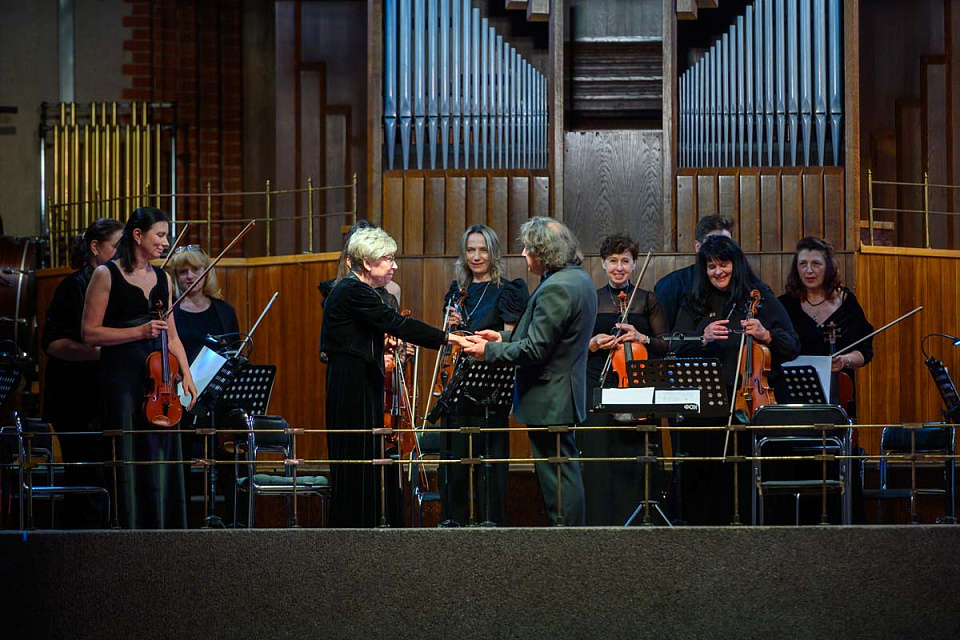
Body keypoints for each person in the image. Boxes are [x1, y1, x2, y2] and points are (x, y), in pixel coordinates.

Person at [319, 226, 471, 528]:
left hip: (354, 379)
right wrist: (453, 340)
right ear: (366, 263)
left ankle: (358, 532)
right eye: (388, 258)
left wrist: (380, 342)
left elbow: (361, 333)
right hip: (353, 385)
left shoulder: (354, 290)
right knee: (357, 463)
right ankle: (355, 537)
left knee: (360, 463)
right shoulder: (354, 290)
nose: (395, 265)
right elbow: (399, 323)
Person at [463, 217, 595, 526]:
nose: (523, 253)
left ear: (546, 253)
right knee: (561, 469)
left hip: (552, 398)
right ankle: (568, 537)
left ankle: (568, 543)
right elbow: (549, 337)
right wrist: (502, 337)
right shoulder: (578, 278)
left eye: (529, 248)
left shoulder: (558, 287)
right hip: (562, 394)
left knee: (558, 476)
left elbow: (537, 350)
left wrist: (489, 351)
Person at [82, 206, 198, 529]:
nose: (165, 242)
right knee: (129, 453)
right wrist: (139, 331)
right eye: (159, 235)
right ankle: (128, 532)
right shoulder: (106, 275)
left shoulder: (163, 278)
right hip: (121, 378)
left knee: (159, 453)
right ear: (138, 235)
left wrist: (186, 375)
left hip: (160, 381)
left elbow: (171, 334)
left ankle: (163, 531)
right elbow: (89, 332)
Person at [672, 234, 800, 525]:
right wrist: (701, 338)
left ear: (736, 264)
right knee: (708, 477)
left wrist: (766, 334)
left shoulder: (760, 296)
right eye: (711, 266)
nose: (718, 272)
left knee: (750, 473)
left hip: (752, 403)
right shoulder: (695, 300)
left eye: (724, 264)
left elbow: (792, 345)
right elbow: (676, 344)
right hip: (709, 407)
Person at [437, 224, 528, 526]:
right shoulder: (457, 292)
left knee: (491, 464)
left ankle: (492, 526)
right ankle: (455, 525)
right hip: (458, 385)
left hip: (491, 385)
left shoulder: (508, 290)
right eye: (471, 250)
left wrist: (485, 341)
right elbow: (448, 343)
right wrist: (451, 327)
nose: (476, 256)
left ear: (493, 253)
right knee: (455, 464)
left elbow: (512, 339)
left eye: (483, 249)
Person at [579, 233, 669, 525]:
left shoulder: (647, 300)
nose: (619, 267)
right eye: (613, 261)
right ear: (603, 264)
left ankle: (640, 523)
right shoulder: (591, 299)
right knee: (599, 459)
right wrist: (592, 343)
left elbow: (666, 343)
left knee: (635, 459)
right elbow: (572, 344)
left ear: (634, 264)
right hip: (597, 385)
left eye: (626, 261)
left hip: (637, 389)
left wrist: (641, 337)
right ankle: (600, 525)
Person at [41, 217, 124, 528]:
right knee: (87, 481)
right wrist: (102, 352)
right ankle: (82, 556)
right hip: (75, 398)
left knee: (107, 482)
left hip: (106, 398)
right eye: (117, 247)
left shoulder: (119, 285)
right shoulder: (72, 287)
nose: (121, 254)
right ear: (95, 248)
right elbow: (52, 343)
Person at [166, 245, 241, 526]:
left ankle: (236, 522)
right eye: (182, 271)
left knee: (228, 463)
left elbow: (235, 353)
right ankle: (181, 526)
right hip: (181, 397)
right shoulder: (171, 311)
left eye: (195, 270)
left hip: (217, 399)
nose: (189, 276)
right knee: (180, 461)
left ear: (206, 272)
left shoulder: (224, 310)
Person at [779, 236, 874, 419]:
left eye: (816, 264)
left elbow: (865, 350)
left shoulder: (847, 302)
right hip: (794, 396)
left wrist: (845, 360)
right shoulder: (785, 305)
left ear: (828, 267)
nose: (809, 271)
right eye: (802, 264)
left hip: (839, 393)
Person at [654, 214, 735, 332]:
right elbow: (664, 337)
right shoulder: (670, 285)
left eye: (726, 244)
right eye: (712, 243)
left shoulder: (739, 281)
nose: (720, 250)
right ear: (698, 246)